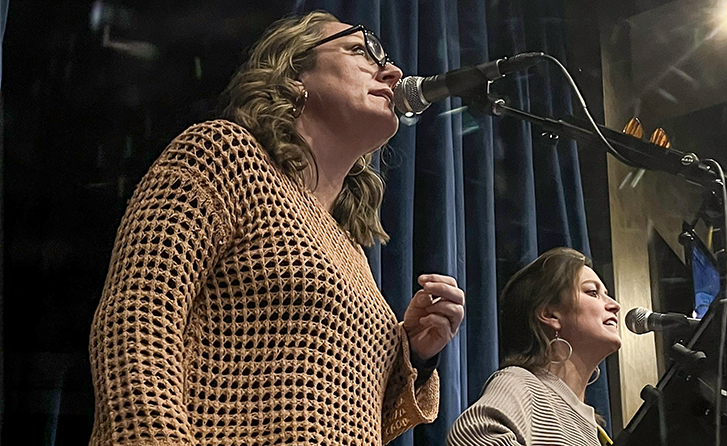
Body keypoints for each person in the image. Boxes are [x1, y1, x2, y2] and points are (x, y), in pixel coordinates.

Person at [88, 11, 465, 446]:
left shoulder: (351, 250)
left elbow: (339, 415)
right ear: (294, 74)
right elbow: (136, 325)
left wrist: (413, 355)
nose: (394, 71)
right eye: (361, 50)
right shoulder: (222, 156)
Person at [446, 247, 619, 446]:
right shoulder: (521, 384)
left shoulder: (592, 428)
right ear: (550, 315)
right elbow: (471, 437)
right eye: (593, 292)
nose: (614, 304)